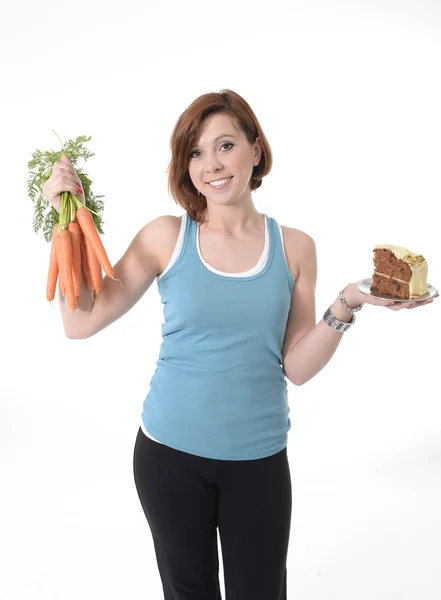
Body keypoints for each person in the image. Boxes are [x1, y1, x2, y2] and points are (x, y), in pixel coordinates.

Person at [43, 89, 438, 600]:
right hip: (169, 456)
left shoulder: (295, 247)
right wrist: (64, 224)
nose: (212, 165)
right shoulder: (166, 237)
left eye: (225, 145)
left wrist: (349, 301)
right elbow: (80, 323)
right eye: (196, 153)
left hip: (258, 460)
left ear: (256, 148)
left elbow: (295, 366)